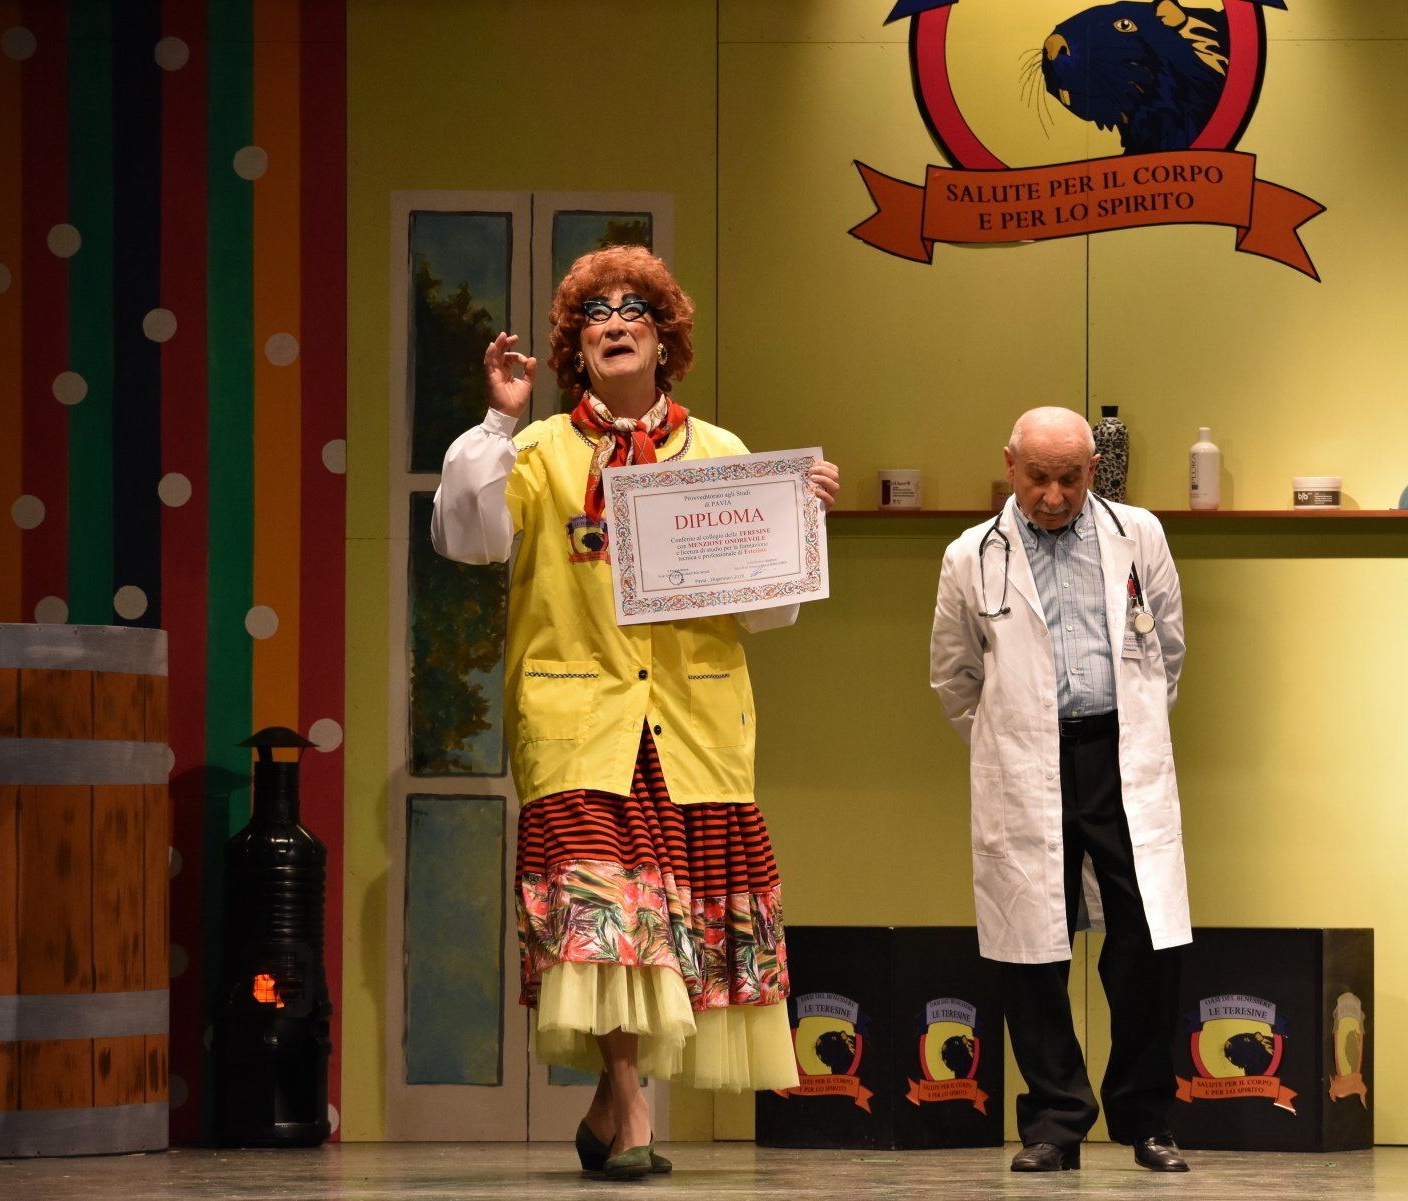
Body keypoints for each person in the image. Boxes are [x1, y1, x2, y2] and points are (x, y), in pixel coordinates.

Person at [433, 245, 839, 1180]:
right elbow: (467, 538)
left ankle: (606, 1105)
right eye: (594, 313)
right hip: (577, 723)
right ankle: (636, 1109)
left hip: (694, 726)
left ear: (665, 339)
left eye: (634, 310)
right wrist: (499, 417)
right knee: (604, 919)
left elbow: (766, 611)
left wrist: (800, 521)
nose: (614, 322)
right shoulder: (537, 450)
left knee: (665, 927)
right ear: (574, 346)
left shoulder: (723, 454)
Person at [928, 406, 1192, 1173]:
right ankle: (1055, 1120)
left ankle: (1146, 1117)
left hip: (1119, 755)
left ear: (1092, 470)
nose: (1053, 495)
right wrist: (1011, 739)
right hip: (1026, 759)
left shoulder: (1138, 535)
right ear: (1010, 465)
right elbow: (954, 675)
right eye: (1038, 476)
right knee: (1030, 949)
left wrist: (1134, 729)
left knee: (1145, 940)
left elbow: (1168, 651)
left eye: (1070, 478)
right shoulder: (969, 555)